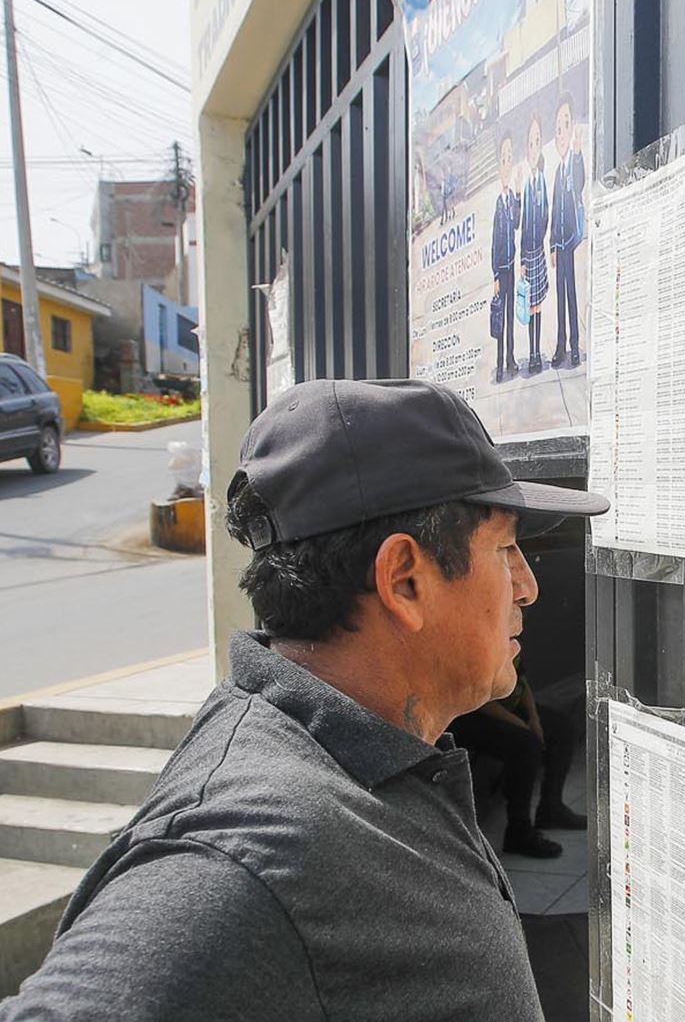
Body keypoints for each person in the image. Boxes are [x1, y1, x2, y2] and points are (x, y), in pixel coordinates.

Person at [0, 379, 610, 1020]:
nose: (528, 586)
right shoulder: (249, 848)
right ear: (404, 579)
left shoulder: (367, 755)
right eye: (506, 548)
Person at [449, 660, 584, 858]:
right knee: (526, 745)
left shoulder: (510, 645)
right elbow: (477, 698)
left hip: (508, 708)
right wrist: (520, 724)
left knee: (563, 727)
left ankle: (551, 808)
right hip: (469, 714)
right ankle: (518, 831)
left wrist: (533, 718)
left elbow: (521, 680)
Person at [548, 94, 586, 370]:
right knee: (560, 297)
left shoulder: (572, 165)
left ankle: (574, 345)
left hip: (570, 242)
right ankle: (560, 346)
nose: (561, 133)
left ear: (572, 127)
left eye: (566, 125)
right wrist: (551, 245)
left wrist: (578, 153)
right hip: (559, 246)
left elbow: (580, 183)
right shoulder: (557, 174)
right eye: (558, 129)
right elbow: (553, 213)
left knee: (571, 295)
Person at [519, 114, 551, 377]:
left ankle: (536, 353)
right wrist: (522, 260)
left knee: (537, 304)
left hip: (538, 251)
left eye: (537, 142)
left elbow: (545, 215)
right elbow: (522, 225)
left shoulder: (540, 181)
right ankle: (532, 353)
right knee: (530, 306)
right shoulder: (527, 186)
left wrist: (541, 242)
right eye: (530, 143)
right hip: (528, 254)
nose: (533, 148)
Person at [491, 132, 522, 383]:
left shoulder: (511, 199)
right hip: (501, 270)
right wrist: (494, 275)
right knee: (500, 318)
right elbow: (495, 242)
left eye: (509, 159)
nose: (507, 165)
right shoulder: (498, 204)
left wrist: (519, 194)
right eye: (503, 160)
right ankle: (500, 363)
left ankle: (511, 359)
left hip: (512, 267)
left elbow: (517, 224)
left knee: (510, 316)